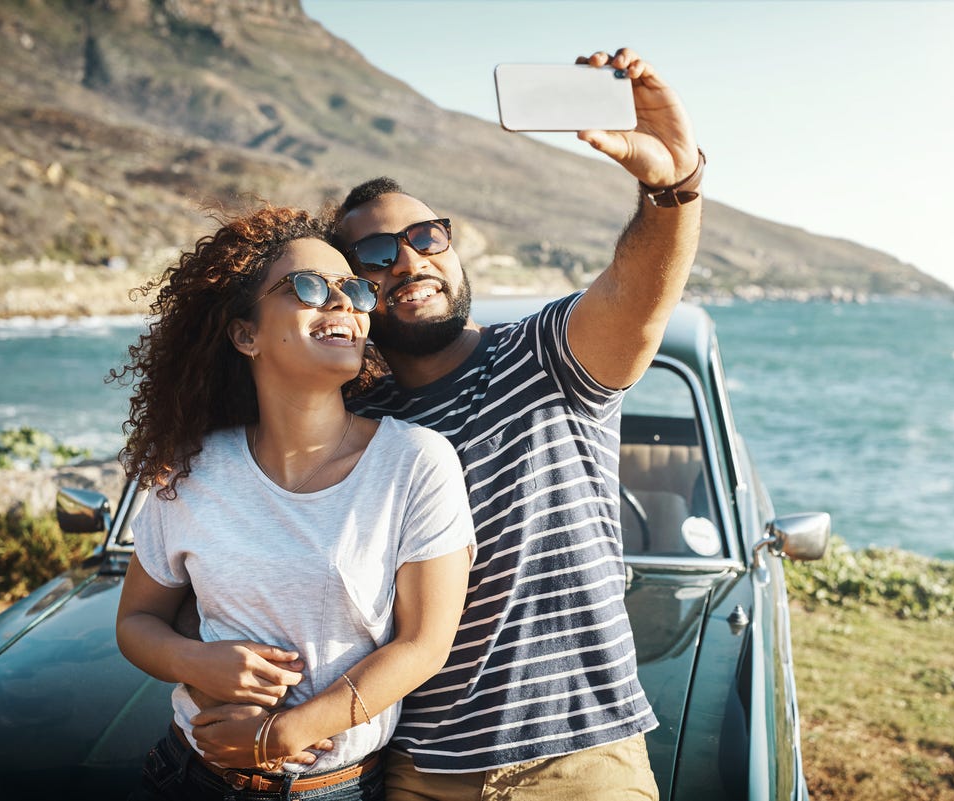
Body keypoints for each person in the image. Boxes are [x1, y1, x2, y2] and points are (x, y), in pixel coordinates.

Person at [328, 48, 702, 800]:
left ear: (452, 245)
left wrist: (674, 187)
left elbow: (638, 295)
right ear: (352, 290)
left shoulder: (546, 353)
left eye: (425, 237)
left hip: (577, 763)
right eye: (374, 253)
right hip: (417, 768)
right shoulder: (352, 417)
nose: (407, 261)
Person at [112, 206, 475, 801]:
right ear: (245, 334)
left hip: (334, 789)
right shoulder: (192, 467)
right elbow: (135, 622)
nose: (344, 304)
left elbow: (425, 644)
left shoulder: (414, 461)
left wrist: (286, 734)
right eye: (307, 287)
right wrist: (194, 662)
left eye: (353, 289)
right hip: (187, 776)